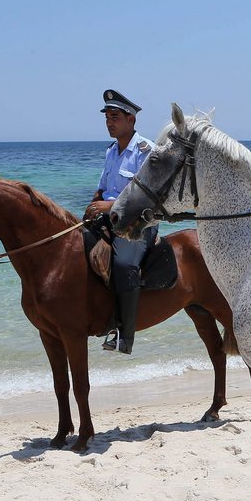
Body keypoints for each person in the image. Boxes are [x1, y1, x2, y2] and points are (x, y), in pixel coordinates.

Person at [84, 89, 158, 354]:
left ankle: (124, 335)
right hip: (108, 220)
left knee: (124, 262)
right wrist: (93, 204)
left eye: (115, 117)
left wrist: (110, 205)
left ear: (131, 120)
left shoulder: (146, 151)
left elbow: (147, 198)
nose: (109, 122)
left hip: (138, 225)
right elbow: (103, 188)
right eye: (107, 118)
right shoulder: (111, 151)